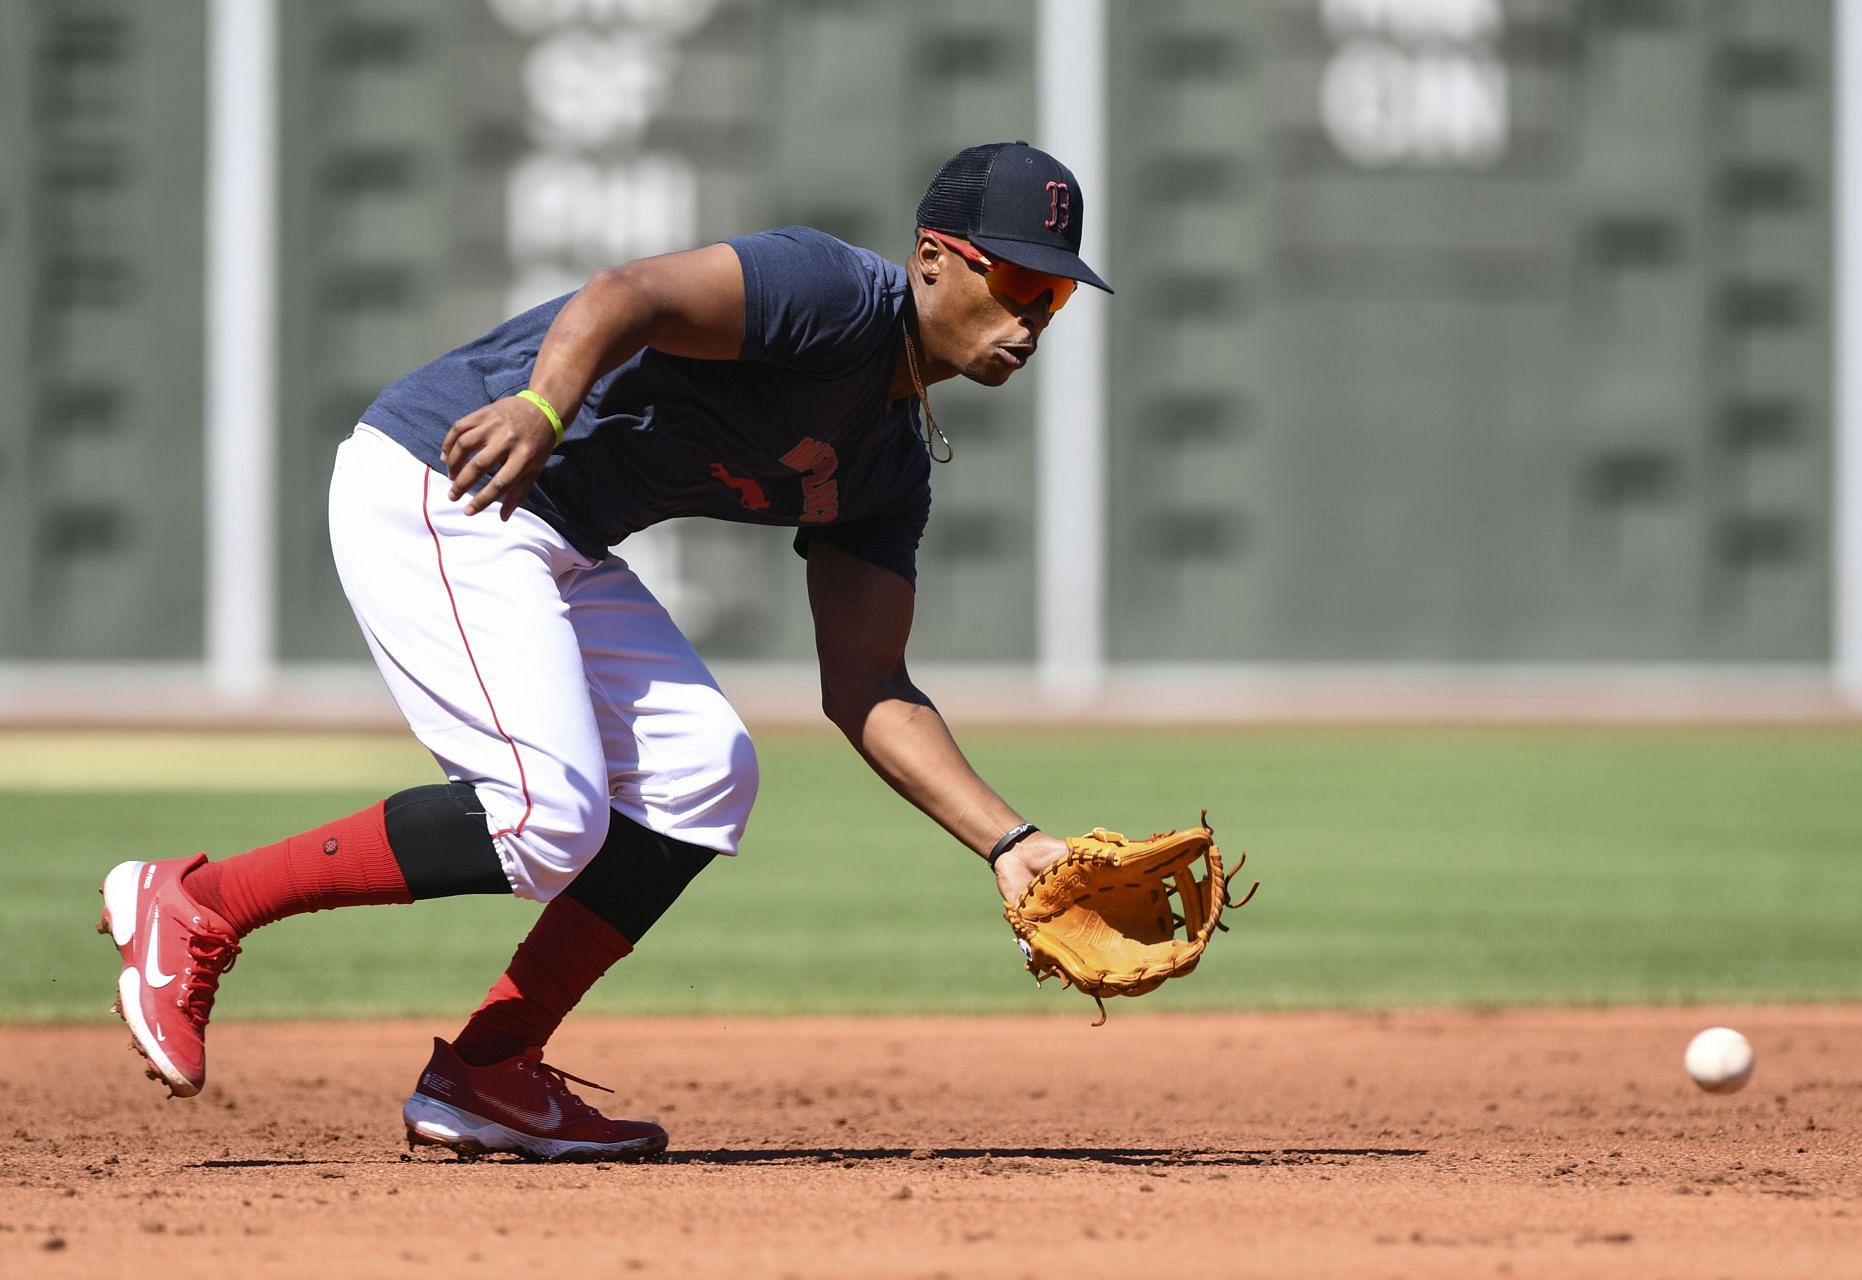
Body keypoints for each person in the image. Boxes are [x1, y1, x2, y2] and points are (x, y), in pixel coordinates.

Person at [99, 141, 1112, 1160]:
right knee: (546, 817)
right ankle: (196, 902)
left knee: (704, 771)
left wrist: (1011, 842)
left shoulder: (890, 465)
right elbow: (630, 293)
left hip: (556, 539)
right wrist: (545, 405)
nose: (1031, 317)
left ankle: (489, 1068)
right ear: (934, 257)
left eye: (1055, 297)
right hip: (447, 478)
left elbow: (868, 684)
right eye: (1018, 278)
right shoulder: (836, 294)